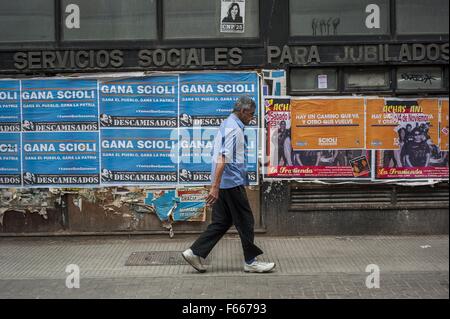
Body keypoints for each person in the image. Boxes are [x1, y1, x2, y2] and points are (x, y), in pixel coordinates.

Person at [182, 95, 275, 273]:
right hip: (230, 183)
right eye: (251, 114)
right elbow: (223, 157)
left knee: (222, 221)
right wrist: (214, 187)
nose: (252, 118)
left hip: (226, 182)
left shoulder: (227, 124)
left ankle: (194, 252)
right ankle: (251, 261)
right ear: (243, 111)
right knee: (246, 221)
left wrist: (216, 185)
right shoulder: (234, 129)